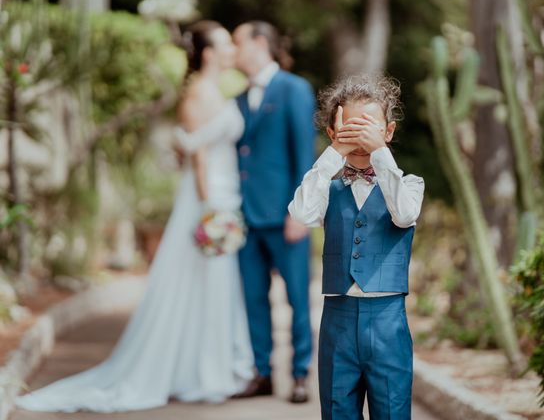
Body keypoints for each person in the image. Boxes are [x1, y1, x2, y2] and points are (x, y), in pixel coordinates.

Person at [15, 21, 254, 413]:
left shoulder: (216, 91)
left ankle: (210, 369)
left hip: (225, 196)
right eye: (226, 43)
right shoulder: (197, 93)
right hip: (208, 200)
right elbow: (196, 159)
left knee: (215, 287)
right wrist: (210, 209)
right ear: (209, 53)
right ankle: (200, 373)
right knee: (199, 284)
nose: (232, 50)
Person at [288, 74, 424, 419]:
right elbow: (302, 213)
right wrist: (334, 154)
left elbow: (404, 215)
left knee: (392, 410)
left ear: (389, 131)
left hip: (388, 320)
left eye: (370, 128)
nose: (360, 138)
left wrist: (380, 153)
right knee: (337, 409)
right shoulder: (325, 189)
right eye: (350, 129)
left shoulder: (407, 185)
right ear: (333, 133)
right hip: (338, 319)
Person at [231, 21, 316, 403]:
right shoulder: (236, 98)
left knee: (297, 296)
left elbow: (304, 154)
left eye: (238, 43)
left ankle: (300, 374)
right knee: (253, 299)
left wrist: (301, 212)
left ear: (260, 43)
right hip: (245, 219)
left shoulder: (294, 89)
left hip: (287, 217)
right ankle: (262, 372)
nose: (234, 51)